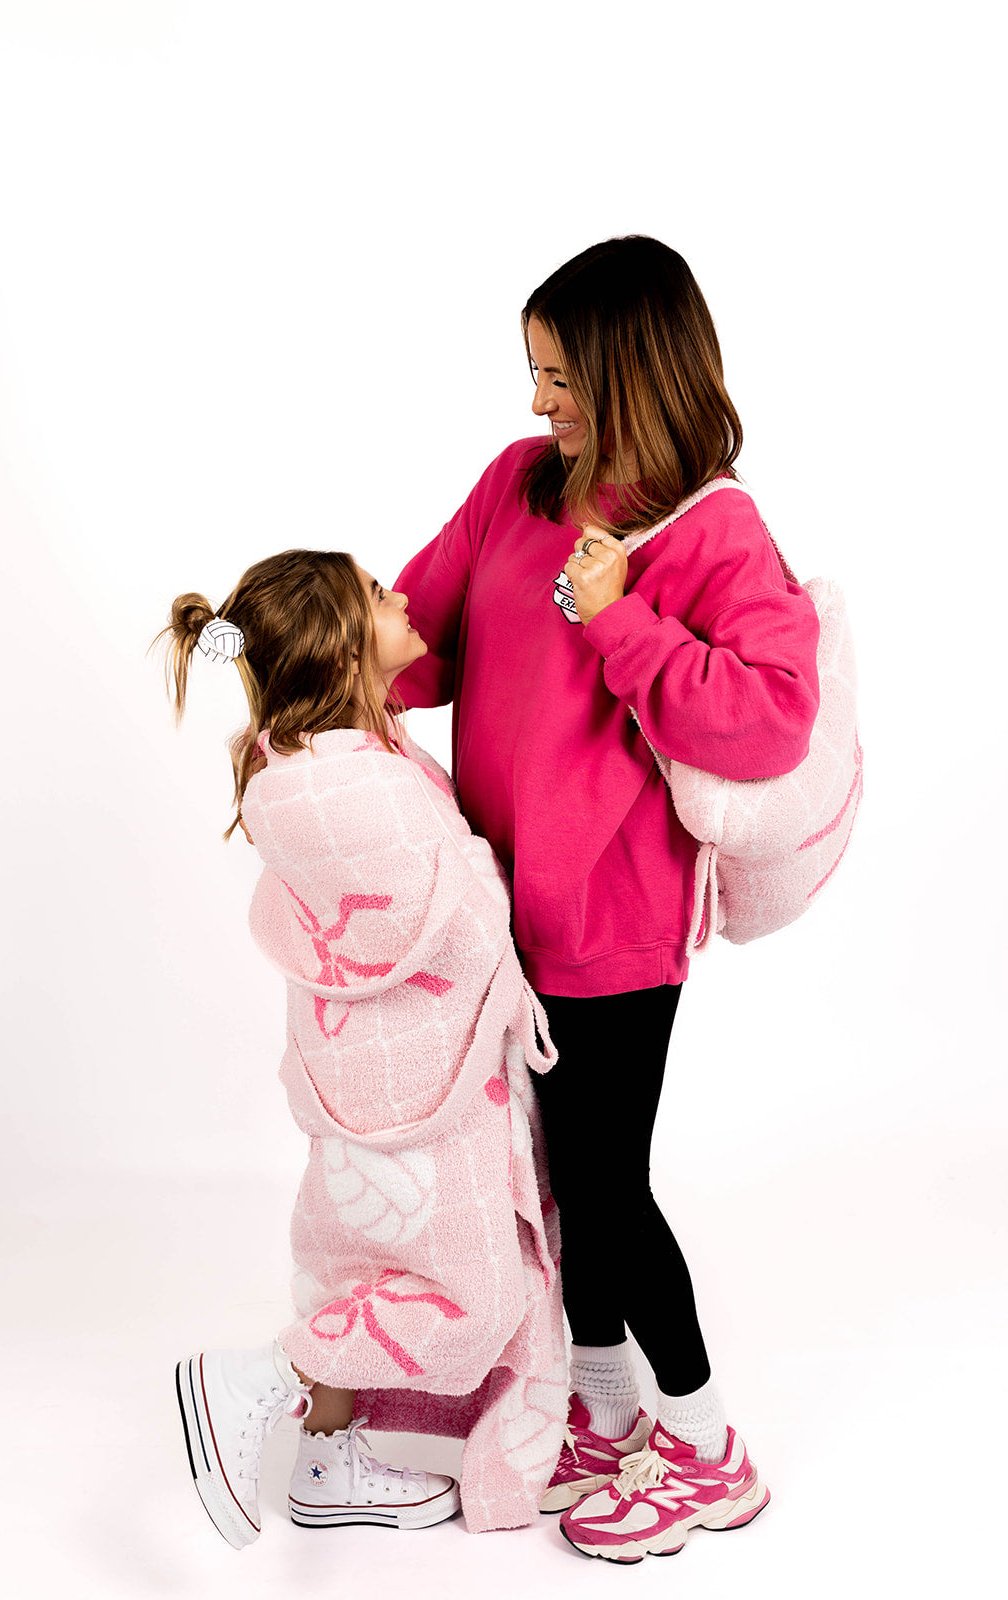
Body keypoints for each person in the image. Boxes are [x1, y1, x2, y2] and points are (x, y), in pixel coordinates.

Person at [392, 235, 821, 1563]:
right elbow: (420, 630)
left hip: (612, 924)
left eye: (559, 376)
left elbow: (768, 721)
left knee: (602, 1183)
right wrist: (295, 649)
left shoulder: (707, 531)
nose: (536, 405)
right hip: (503, 918)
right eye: (530, 373)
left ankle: (704, 1449)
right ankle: (602, 1411)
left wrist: (620, 620)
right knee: (561, 1184)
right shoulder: (518, 487)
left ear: (632, 371)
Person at [159, 550, 566, 1547]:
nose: (401, 599)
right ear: (343, 645)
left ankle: (328, 1461)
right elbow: (463, 913)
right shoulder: (358, 788)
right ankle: (261, 1376)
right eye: (377, 594)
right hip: (429, 1083)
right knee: (473, 1292)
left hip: (363, 1085)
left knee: (361, 1268)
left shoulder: (306, 766)